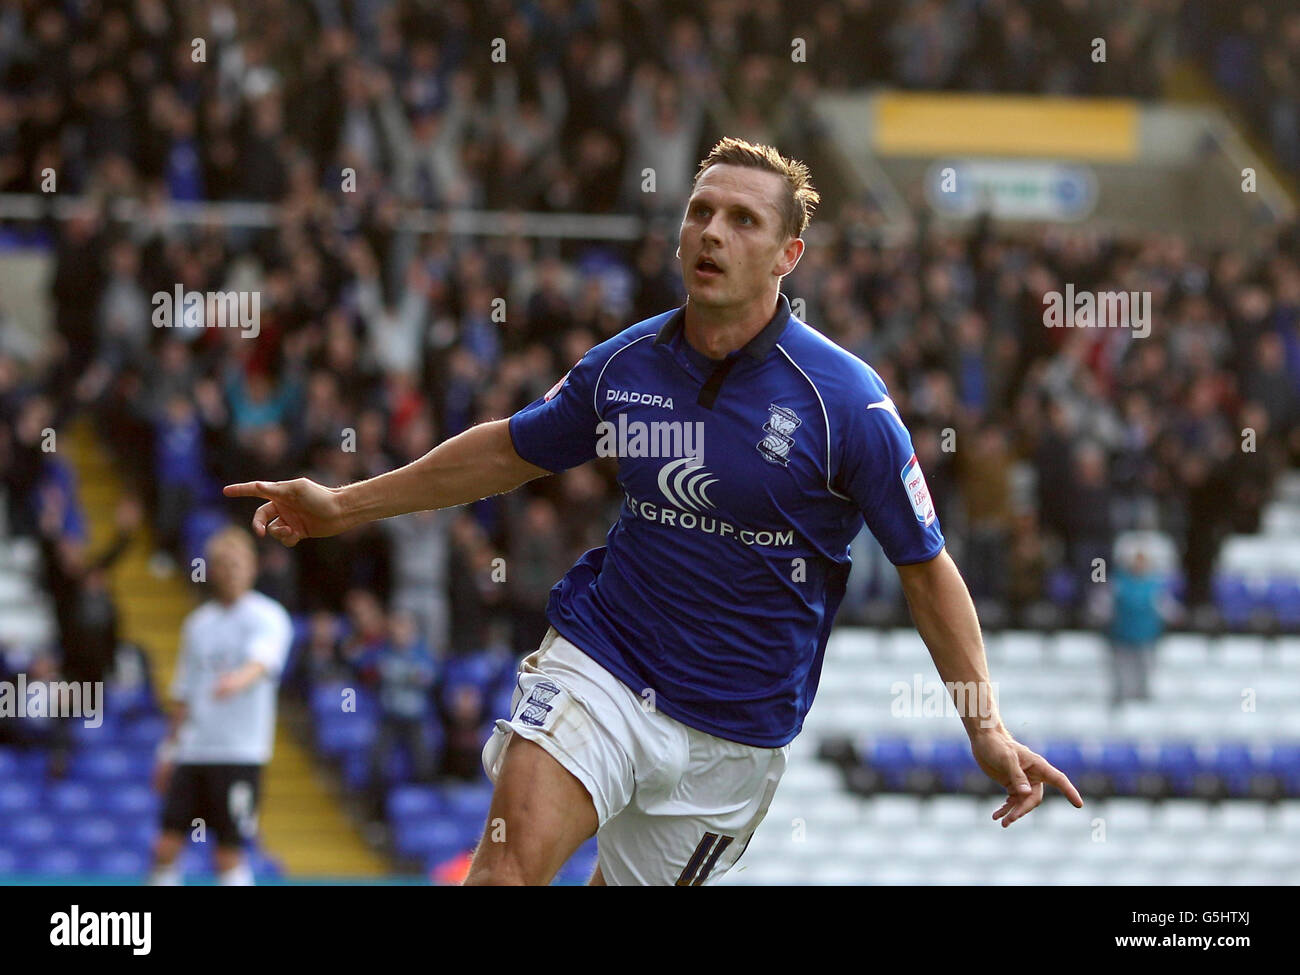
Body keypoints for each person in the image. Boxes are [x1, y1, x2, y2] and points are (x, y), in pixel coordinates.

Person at [225, 138, 1083, 886]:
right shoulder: (625, 366)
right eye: (700, 211)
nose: (711, 232)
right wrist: (343, 503)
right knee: (503, 872)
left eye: (742, 220)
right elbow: (506, 450)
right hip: (603, 660)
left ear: (789, 253)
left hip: (733, 732)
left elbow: (927, 570)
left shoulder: (847, 406)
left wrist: (985, 722)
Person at [149, 526, 293, 886]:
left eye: (236, 563)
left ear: (251, 567)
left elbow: (263, 662)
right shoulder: (198, 624)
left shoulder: (267, 616)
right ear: (211, 570)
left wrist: (237, 680)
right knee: (165, 846)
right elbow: (184, 693)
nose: (229, 571)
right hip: (193, 752)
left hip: (239, 754)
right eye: (221, 564)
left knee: (227, 852)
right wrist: (168, 750)